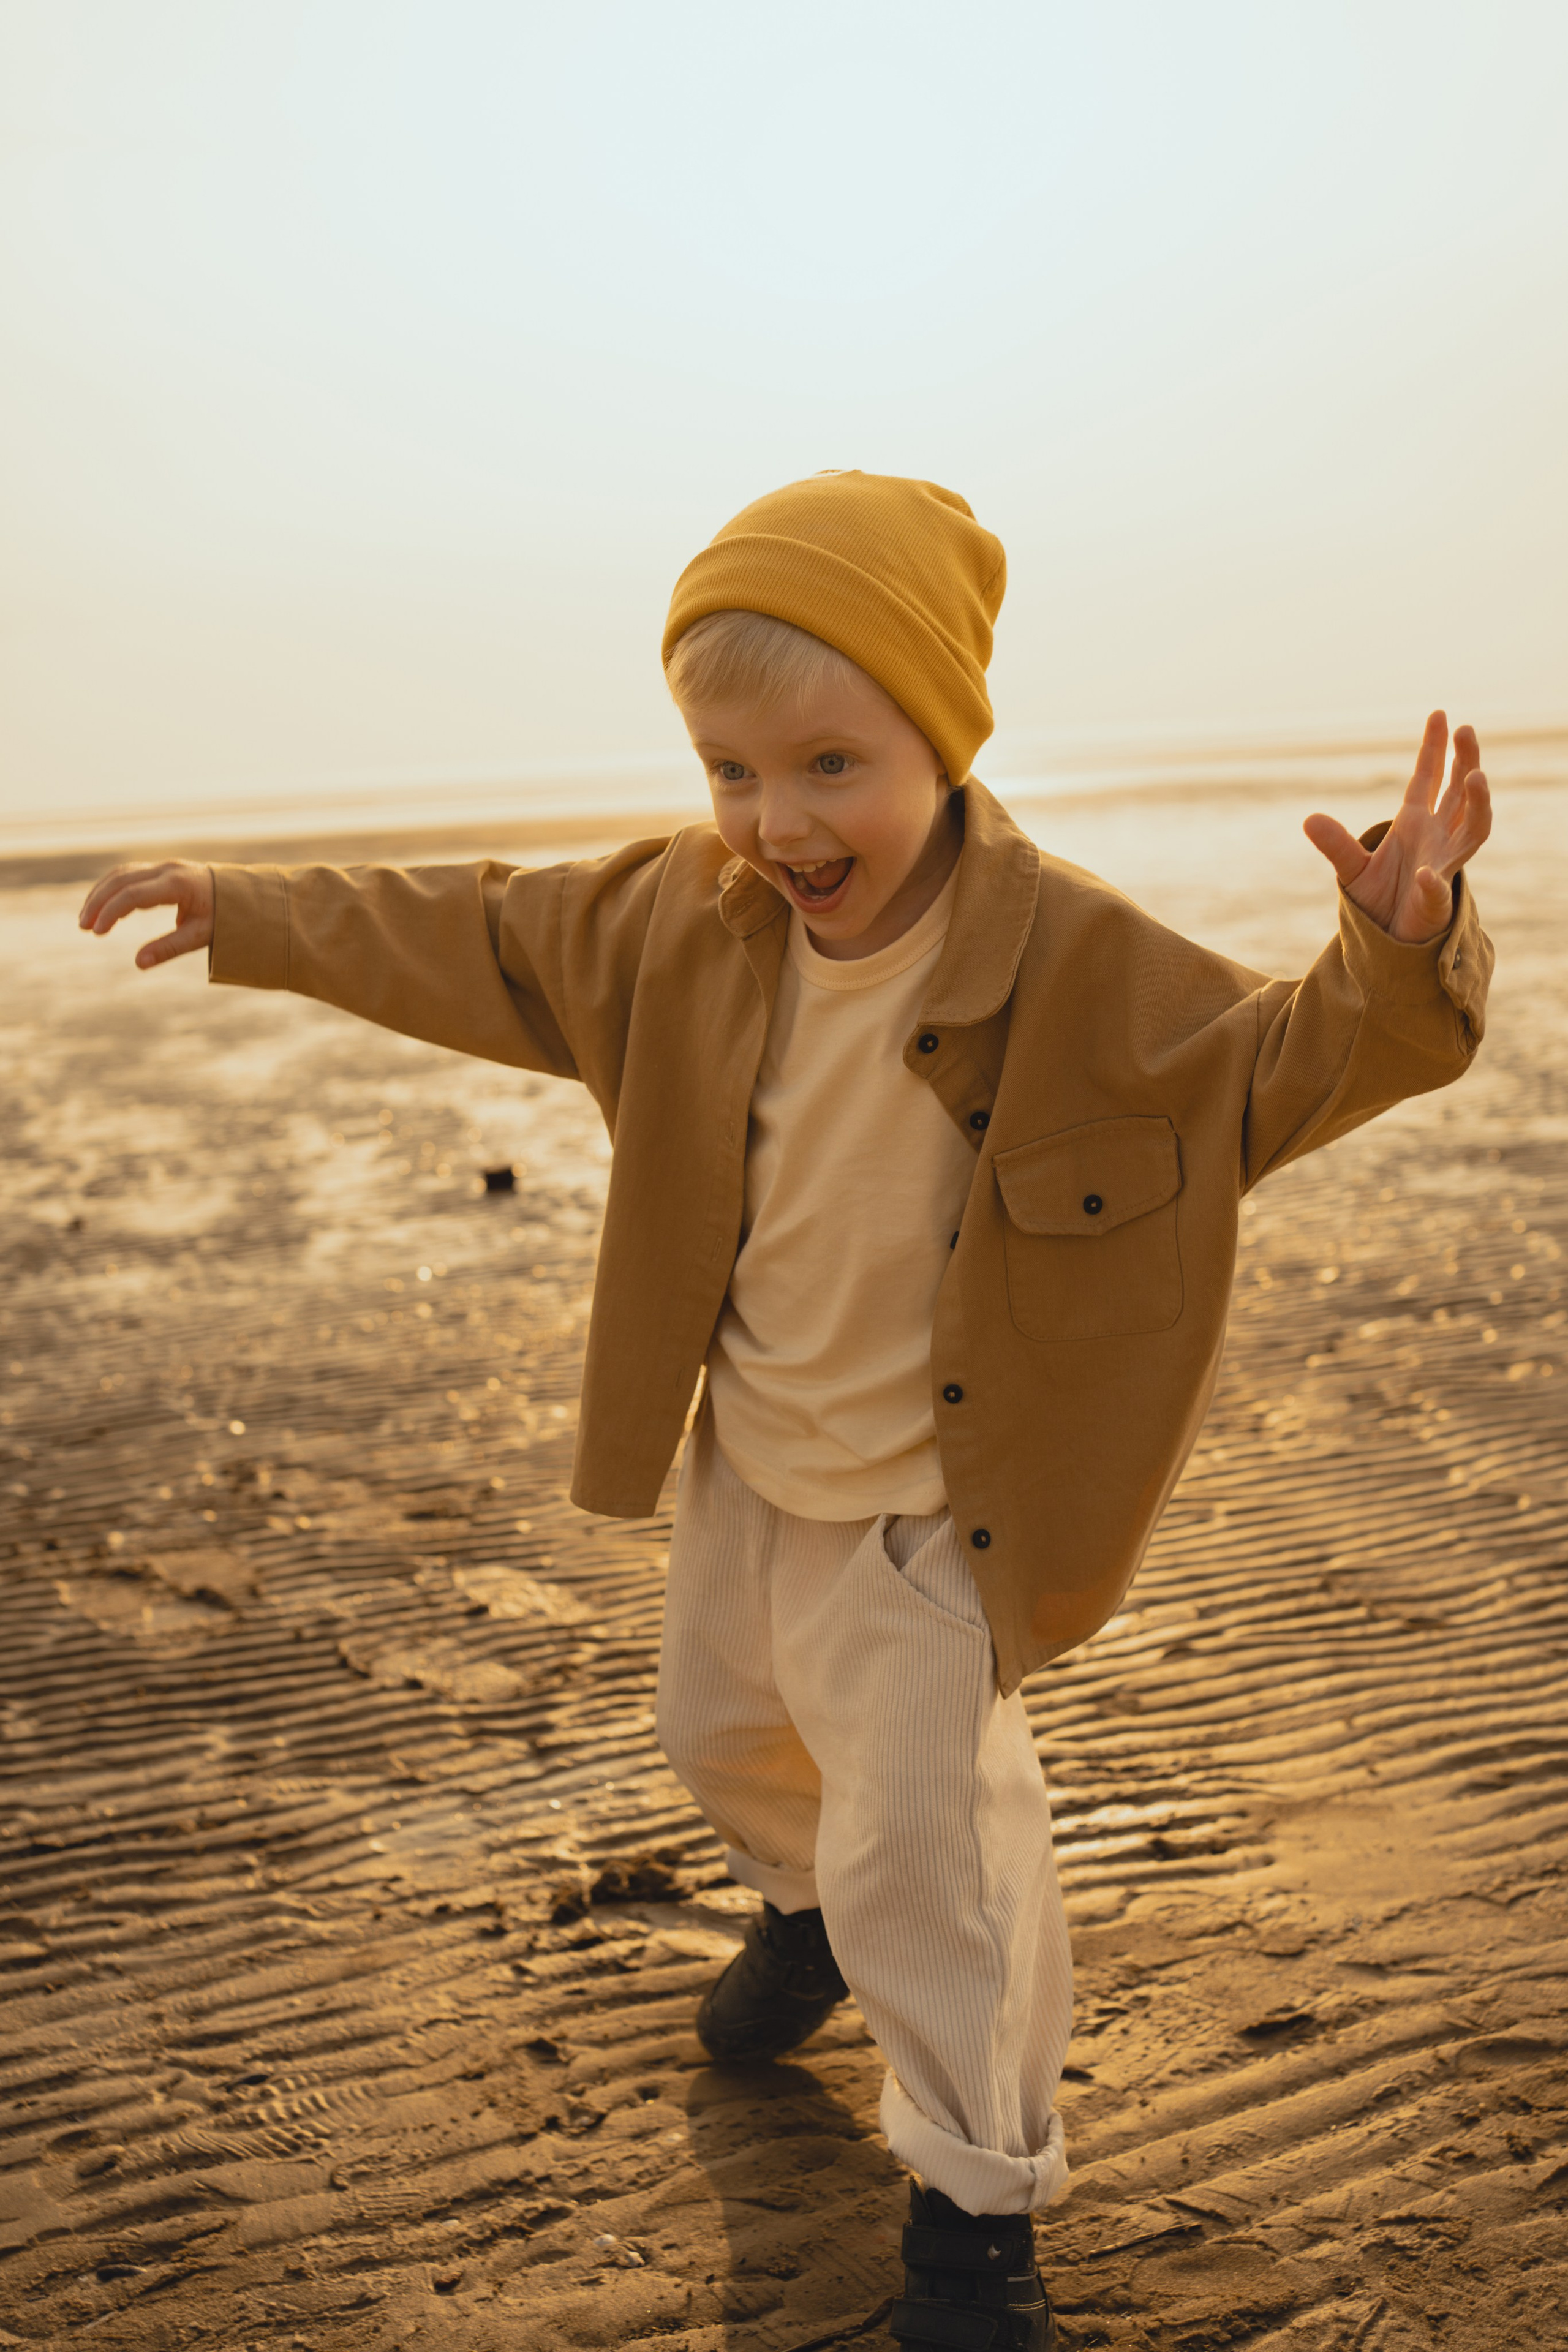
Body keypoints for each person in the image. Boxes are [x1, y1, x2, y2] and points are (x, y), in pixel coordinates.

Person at [79, 471, 1493, 2350]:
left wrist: (1402, 946)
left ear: (942, 740)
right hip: (751, 1457)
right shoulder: (680, 917)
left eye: (830, 765)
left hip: (932, 1505)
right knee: (723, 1732)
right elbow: (479, 933)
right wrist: (248, 907)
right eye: (730, 770)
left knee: (938, 1861)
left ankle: (980, 2216)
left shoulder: (1078, 962)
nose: (775, 820)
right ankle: (800, 1917)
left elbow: (1291, 1066)